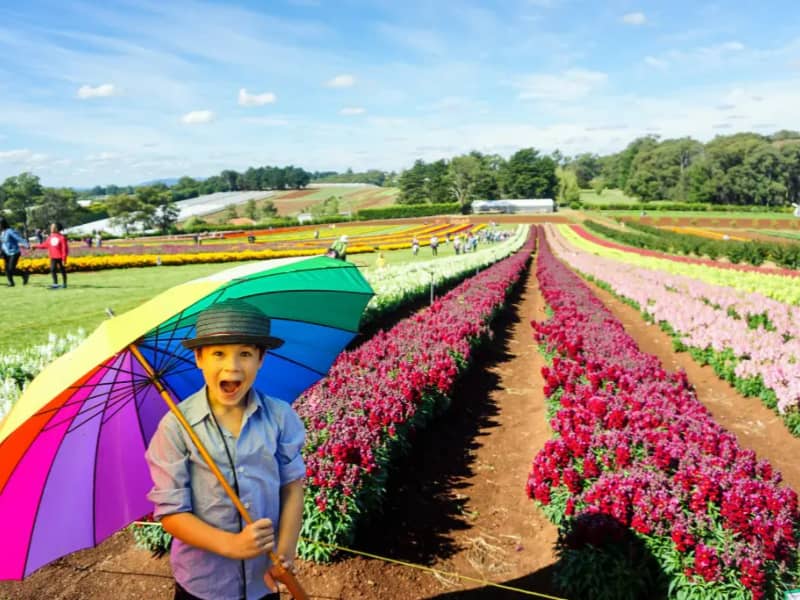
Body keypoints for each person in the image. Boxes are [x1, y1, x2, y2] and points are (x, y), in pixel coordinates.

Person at [146, 299, 305, 600]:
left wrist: (285, 552)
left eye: (245, 353)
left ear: (261, 359)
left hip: (265, 579)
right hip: (204, 584)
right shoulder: (176, 427)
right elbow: (171, 513)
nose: (232, 366)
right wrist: (230, 545)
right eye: (219, 353)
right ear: (199, 357)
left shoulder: (280, 416)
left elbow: (292, 487)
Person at [35, 222, 69, 289]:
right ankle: (55, 284)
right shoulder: (50, 237)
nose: (51, 228)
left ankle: (64, 284)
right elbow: (45, 245)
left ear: (57, 228)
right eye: (51, 226)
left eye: (53, 227)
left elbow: (64, 249)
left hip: (60, 257)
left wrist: (64, 259)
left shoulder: (62, 237)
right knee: (52, 270)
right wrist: (35, 246)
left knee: (62, 270)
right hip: (53, 257)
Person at [0, 217, 30, 287]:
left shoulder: (10, 231)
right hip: (5, 252)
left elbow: (18, 238)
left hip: (14, 252)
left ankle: (24, 274)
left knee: (11, 268)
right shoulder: (1, 233)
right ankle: (11, 283)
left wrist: (26, 245)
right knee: (6, 269)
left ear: (2, 224)